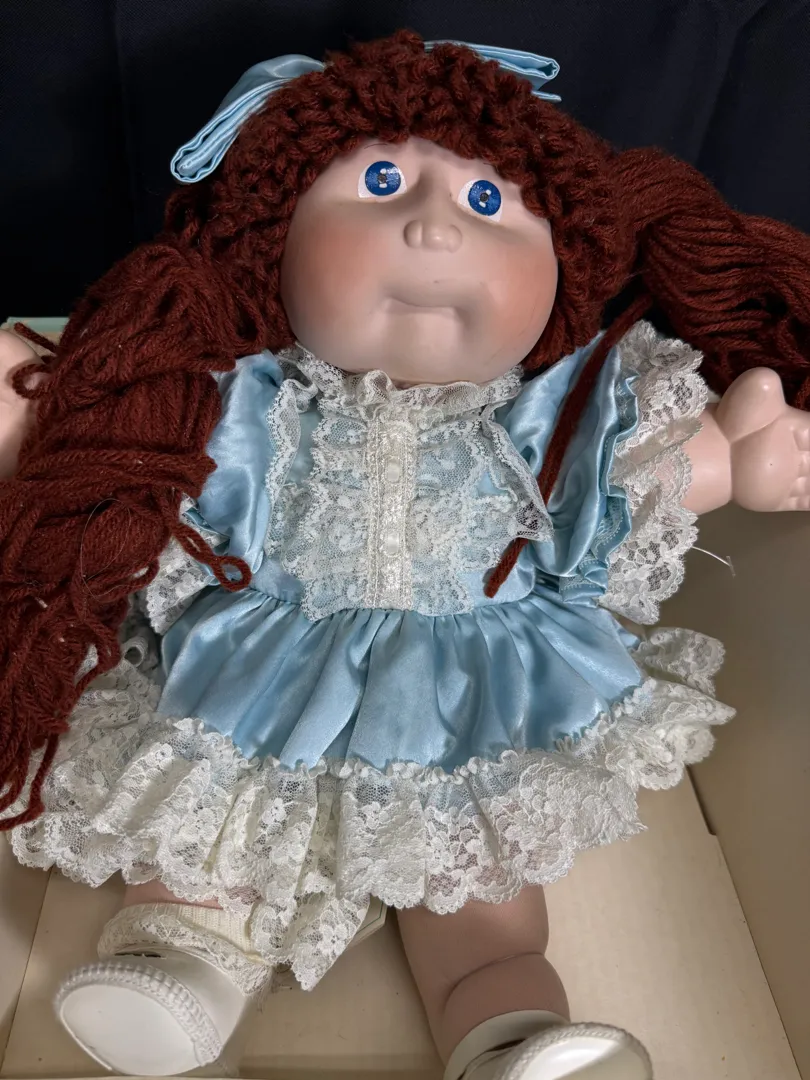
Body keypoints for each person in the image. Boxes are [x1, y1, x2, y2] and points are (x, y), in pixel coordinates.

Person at [1, 33, 808, 1080]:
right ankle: (183, 966)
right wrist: (40, 407)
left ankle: (507, 1030)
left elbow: (618, 480)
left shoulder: (552, 418)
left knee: (482, 909)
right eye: (379, 186)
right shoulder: (244, 397)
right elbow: (134, 443)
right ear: (275, 243)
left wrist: (736, 457)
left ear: (561, 276)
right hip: (260, 687)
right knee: (202, 855)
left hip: (467, 701)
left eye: (488, 203)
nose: (431, 224)